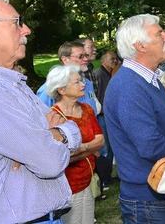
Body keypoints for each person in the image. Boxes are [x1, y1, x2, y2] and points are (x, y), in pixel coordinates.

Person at [0, 0, 82, 223]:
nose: (27, 30)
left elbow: (73, 127)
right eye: (16, 23)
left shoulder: (13, 85)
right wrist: (53, 136)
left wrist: (51, 136)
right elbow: (50, 162)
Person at [104, 14, 165, 222]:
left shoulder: (146, 79)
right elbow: (150, 145)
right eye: (159, 33)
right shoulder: (129, 86)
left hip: (159, 193)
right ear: (141, 46)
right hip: (148, 199)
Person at [46, 65, 105, 224]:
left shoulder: (86, 109)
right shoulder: (53, 117)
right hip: (68, 185)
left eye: (81, 80)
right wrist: (90, 149)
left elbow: (100, 141)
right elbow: (62, 157)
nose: (83, 84)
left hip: (88, 180)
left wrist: (80, 150)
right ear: (62, 90)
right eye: (77, 82)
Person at [37, 41, 100, 115]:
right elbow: (41, 119)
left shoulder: (87, 83)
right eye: (80, 56)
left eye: (86, 55)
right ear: (65, 59)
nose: (86, 59)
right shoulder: (50, 88)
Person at [93, 51, 118, 168]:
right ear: (103, 61)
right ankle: (104, 177)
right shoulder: (97, 74)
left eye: (116, 59)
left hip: (110, 115)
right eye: (112, 59)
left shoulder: (112, 74)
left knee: (112, 145)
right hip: (102, 116)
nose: (115, 61)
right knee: (105, 148)